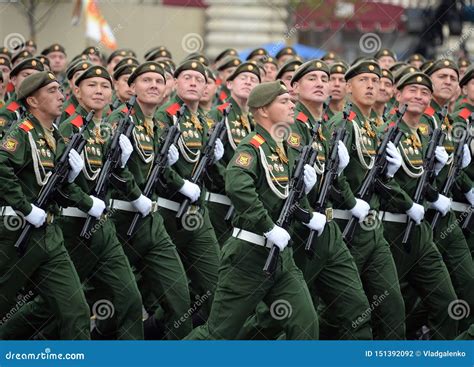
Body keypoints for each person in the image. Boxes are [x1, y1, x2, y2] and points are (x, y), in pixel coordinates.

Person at [186, 81, 319, 340]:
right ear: (263, 110)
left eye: (291, 101)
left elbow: (283, 196)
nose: (292, 104)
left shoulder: (286, 148)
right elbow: (237, 186)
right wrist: (268, 227)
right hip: (249, 256)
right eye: (283, 101)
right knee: (218, 335)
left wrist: (306, 200)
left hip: (282, 256)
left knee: (306, 324)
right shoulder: (252, 147)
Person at [0, 71, 90, 339]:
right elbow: (1, 167)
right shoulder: (22, 133)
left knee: (76, 310)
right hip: (17, 233)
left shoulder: (56, 137)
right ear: (33, 101)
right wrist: (25, 208)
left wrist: (74, 185)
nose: (61, 96)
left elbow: (57, 187)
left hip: (51, 235)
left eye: (60, 90)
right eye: (51, 91)